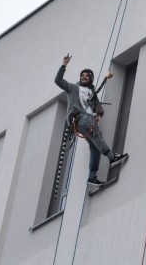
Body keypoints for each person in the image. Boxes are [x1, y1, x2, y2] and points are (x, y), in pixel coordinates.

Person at [54, 54, 128, 187]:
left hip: (88, 120)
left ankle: (92, 176)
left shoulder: (92, 93)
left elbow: (98, 108)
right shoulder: (73, 88)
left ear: (91, 79)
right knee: (97, 135)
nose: (84, 77)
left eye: (87, 76)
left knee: (95, 148)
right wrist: (64, 65)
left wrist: (99, 112)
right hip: (82, 119)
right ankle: (112, 157)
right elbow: (58, 81)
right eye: (82, 75)